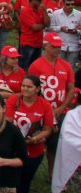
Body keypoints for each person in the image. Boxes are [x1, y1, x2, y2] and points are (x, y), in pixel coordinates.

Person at [28, 32, 76, 178]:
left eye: (59, 47)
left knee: (55, 146)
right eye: (54, 47)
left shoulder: (66, 66)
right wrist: (46, 110)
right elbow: (30, 88)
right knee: (35, 142)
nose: (57, 50)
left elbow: (71, 89)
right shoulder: (36, 65)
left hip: (61, 112)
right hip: (41, 111)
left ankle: (52, 175)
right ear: (45, 46)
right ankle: (28, 172)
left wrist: (61, 108)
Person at [6, 75, 54, 193]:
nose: (25, 89)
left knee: (24, 183)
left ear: (37, 89)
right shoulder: (13, 99)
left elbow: (48, 129)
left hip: (34, 150)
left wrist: (35, 138)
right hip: (13, 149)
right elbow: (7, 123)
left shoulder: (45, 105)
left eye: (29, 86)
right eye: (23, 86)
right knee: (11, 181)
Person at [19, 0, 49, 69]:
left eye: (41, 1)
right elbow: (35, 27)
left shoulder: (40, 10)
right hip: (28, 43)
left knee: (35, 66)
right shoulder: (26, 10)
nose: (41, 3)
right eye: (39, 1)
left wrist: (45, 11)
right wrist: (44, 25)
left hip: (38, 42)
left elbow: (48, 24)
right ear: (32, 0)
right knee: (23, 66)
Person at [50, 0, 81, 67]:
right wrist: (60, 28)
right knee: (58, 66)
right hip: (59, 45)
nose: (70, 6)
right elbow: (50, 28)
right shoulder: (56, 13)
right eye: (68, 4)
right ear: (63, 3)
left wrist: (77, 31)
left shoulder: (79, 15)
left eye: (72, 4)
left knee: (70, 68)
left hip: (74, 46)